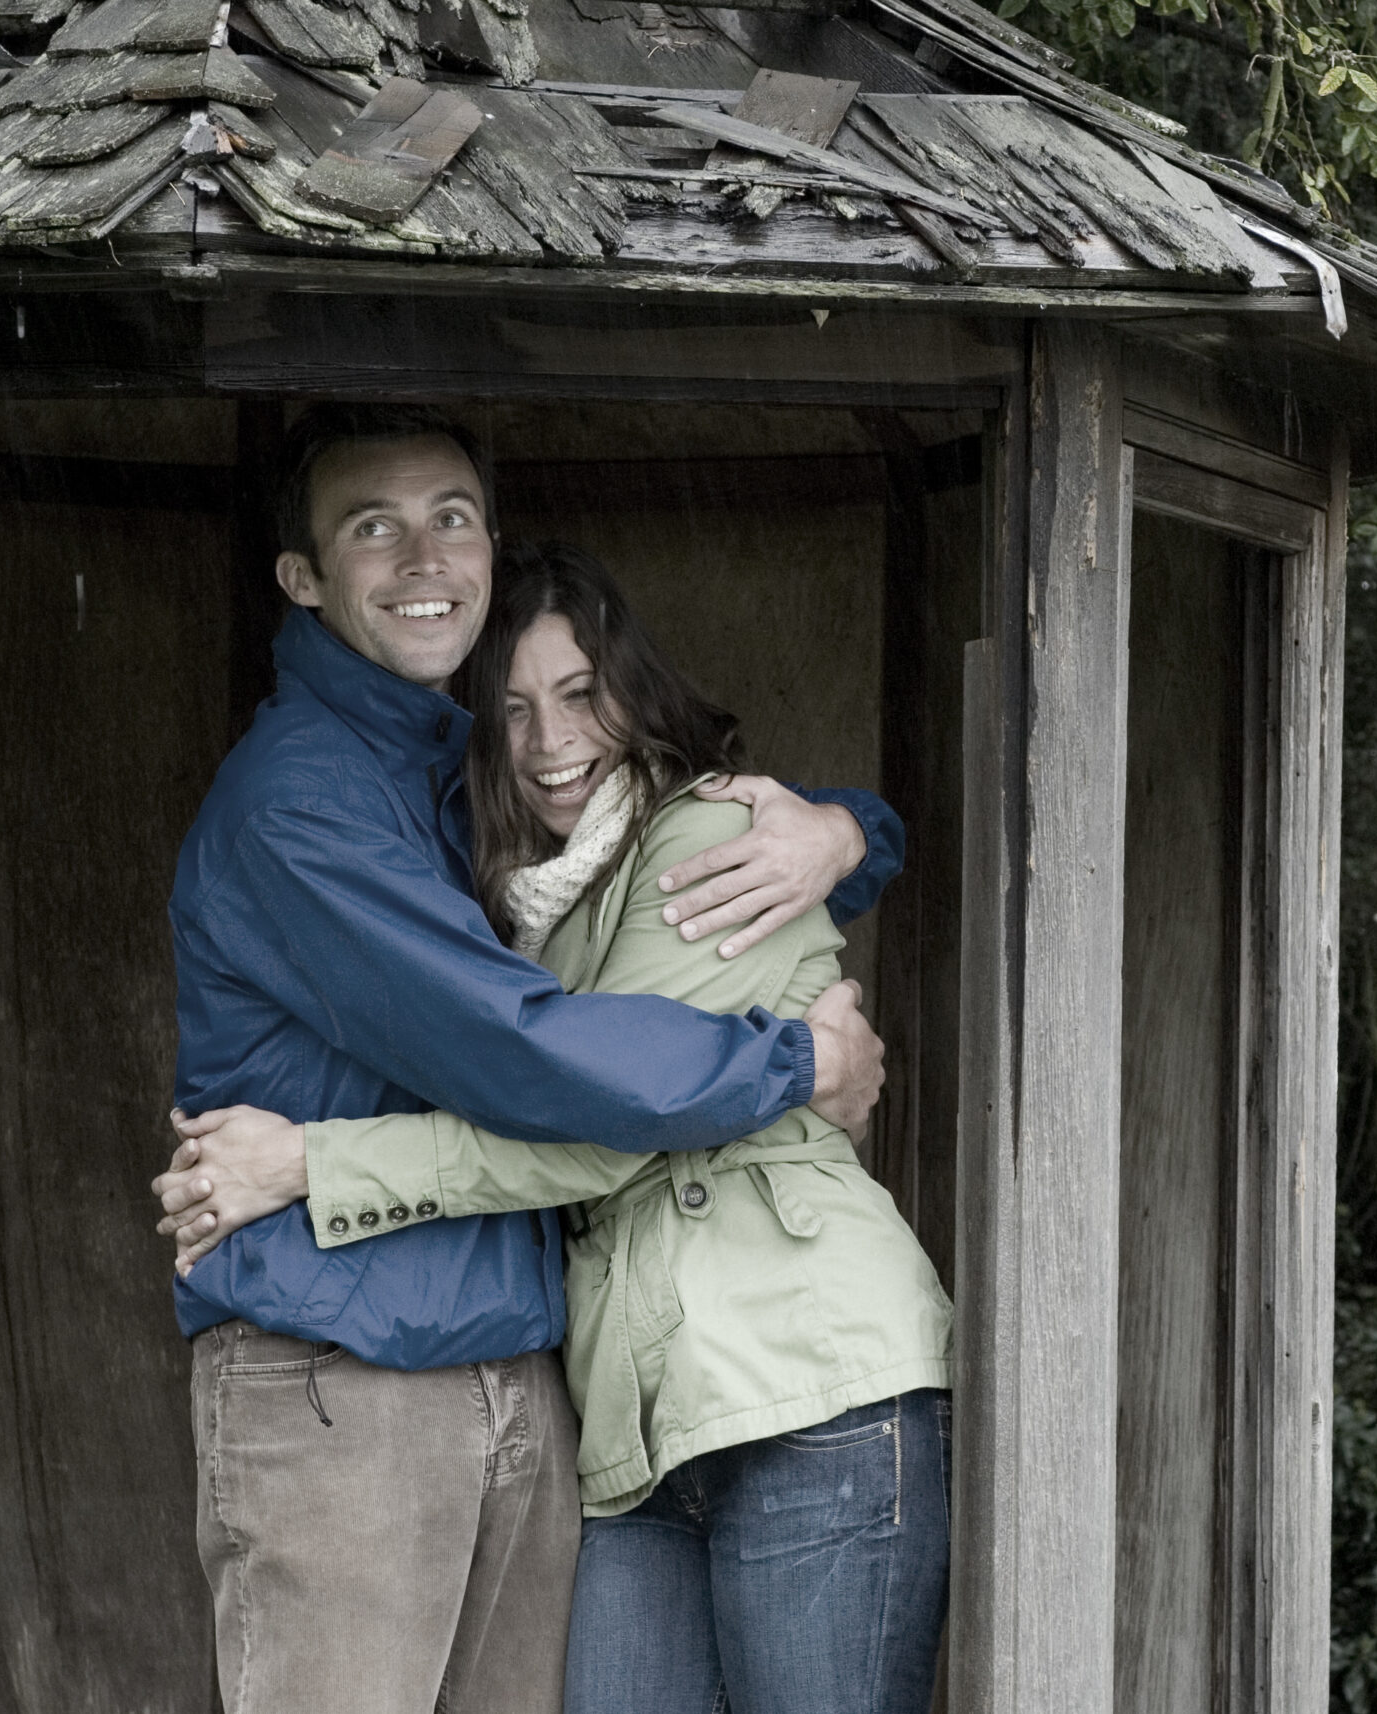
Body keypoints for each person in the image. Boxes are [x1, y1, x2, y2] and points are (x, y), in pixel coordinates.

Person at [157, 404, 902, 1714]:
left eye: (450, 516)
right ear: (304, 576)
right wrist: (791, 1065)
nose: (422, 554)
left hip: (522, 1383)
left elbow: (693, 828)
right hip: (345, 1377)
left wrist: (850, 832)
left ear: (492, 545)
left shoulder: (469, 777)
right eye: (371, 527)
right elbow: (522, 1053)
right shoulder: (304, 802)